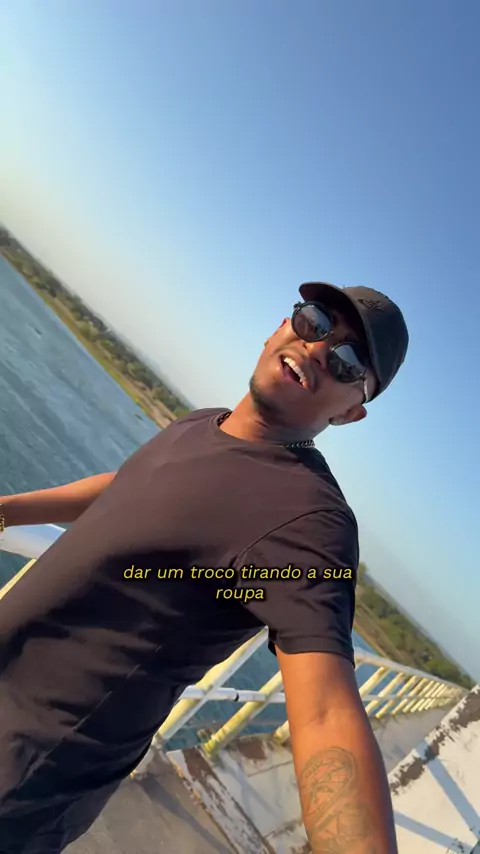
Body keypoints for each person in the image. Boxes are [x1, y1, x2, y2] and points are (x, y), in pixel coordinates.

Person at [0, 280, 409, 854]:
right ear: (280, 327)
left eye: (346, 362)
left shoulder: (309, 522)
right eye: (315, 322)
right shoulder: (201, 424)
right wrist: (9, 511)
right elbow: (129, 485)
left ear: (350, 412)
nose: (318, 348)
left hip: (24, 774)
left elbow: (325, 713)